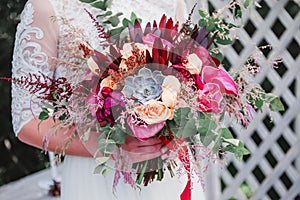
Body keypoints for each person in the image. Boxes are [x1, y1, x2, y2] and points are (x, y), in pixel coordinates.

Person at [11, 0, 205, 199]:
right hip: (96, 178)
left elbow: (191, 82)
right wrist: (109, 147)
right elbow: (27, 122)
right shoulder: (47, 6)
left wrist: (175, 129)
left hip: (170, 173)